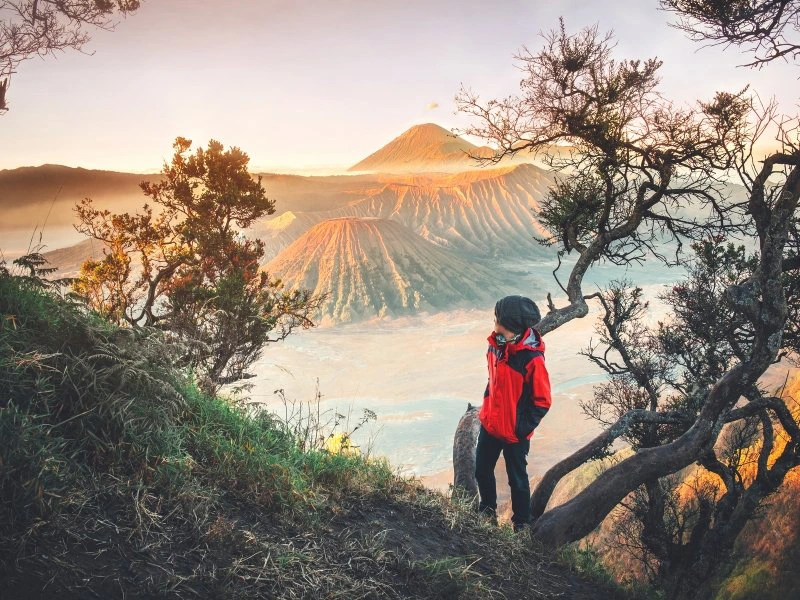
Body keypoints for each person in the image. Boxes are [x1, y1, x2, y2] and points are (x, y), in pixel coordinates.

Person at [475, 295, 551, 531]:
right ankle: (486, 515)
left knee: (517, 481)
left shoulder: (532, 359)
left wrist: (521, 428)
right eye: (497, 321)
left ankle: (521, 525)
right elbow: (493, 380)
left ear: (517, 330)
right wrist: (488, 406)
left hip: (515, 433)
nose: (497, 327)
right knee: (481, 470)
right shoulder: (495, 346)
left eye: (503, 326)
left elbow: (543, 401)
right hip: (490, 425)